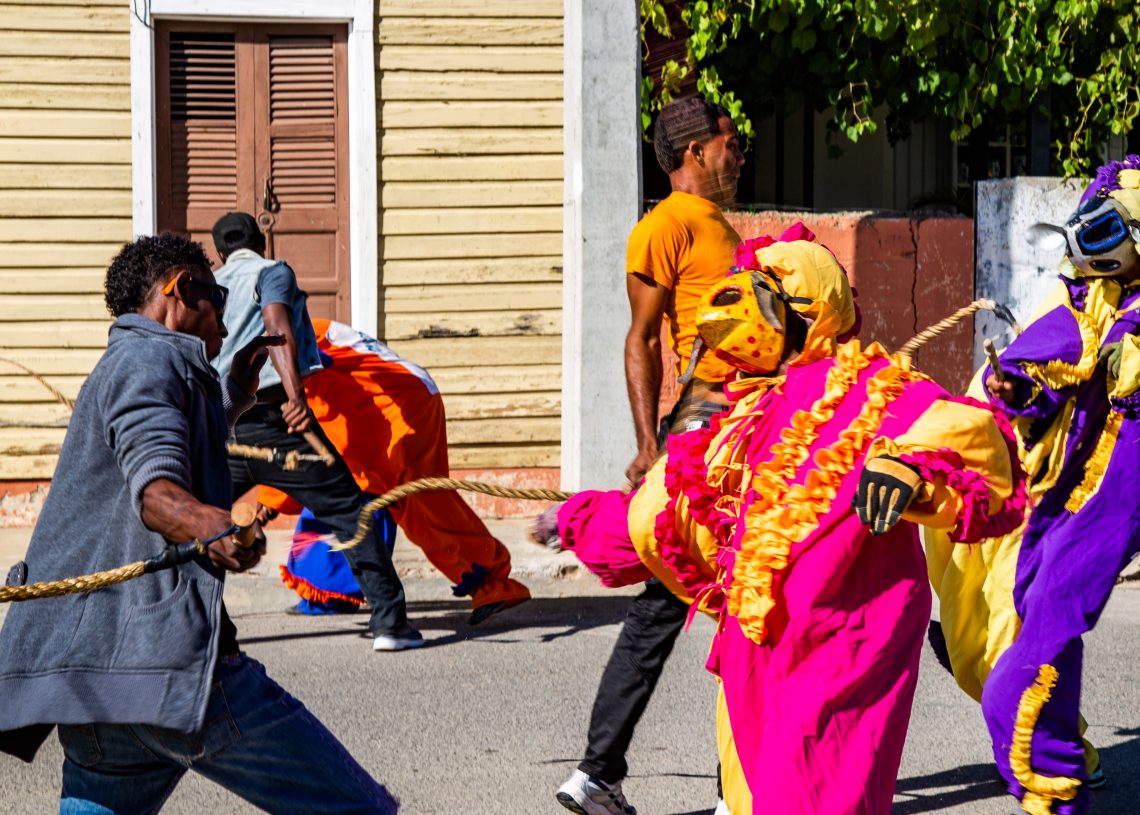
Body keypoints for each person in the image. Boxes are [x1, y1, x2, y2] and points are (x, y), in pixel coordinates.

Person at [548, 234, 1025, 814]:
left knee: (818, 794)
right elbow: (660, 509)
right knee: (754, 794)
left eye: (766, 296)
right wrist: (572, 519)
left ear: (806, 312)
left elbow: (972, 440)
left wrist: (911, 468)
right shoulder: (741, 416)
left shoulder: (880, 389)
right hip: (754, 648)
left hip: (846, 643)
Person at [0, 234, 398, 813]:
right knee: (360, 809)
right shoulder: (149, 361)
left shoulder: (137, 362)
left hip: (96, 693)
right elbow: (156, 492)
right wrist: (213, 526)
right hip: (162, 671)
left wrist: (235, 394)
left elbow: (166, 435)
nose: (225, 319)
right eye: (218, 298)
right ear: (183, 289)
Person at [552, 96, 744, 815]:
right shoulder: (664, 226)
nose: (738, 155)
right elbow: (642, 336)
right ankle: (733, 793)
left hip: (742, 425)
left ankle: (597, 775)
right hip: (712, 433)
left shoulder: (717, 223)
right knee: (744, 601)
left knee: (670, 605)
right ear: (696, 152)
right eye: (730, 142)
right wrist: (646, 442)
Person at [971, 157, 1140, 815]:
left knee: (1030, 656)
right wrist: (1016, 386)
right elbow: (1047, 368)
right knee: (1036, 592)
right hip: (1076, 487)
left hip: (1120, 494)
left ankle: (1054, 785)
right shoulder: (1092, 301)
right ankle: (1063, 760)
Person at [210, 212, 422, 651]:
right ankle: (389, 624)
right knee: (351, 511)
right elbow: (277, 326)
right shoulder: (272, 272)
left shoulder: (210, 286)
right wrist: (297, 398)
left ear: (219, 253)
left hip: (222, 426)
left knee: (202, 523)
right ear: (261, 242)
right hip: (278, 424)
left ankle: (202, 630)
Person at [258, 319, 531, 624]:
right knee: (347, 493)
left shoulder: (284, 338)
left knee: (418, 501)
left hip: (400, 403)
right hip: (373, 406)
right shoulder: (293, 329)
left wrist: (268, 500)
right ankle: (327, 592)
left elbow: (289, 429)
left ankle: (491, 582)